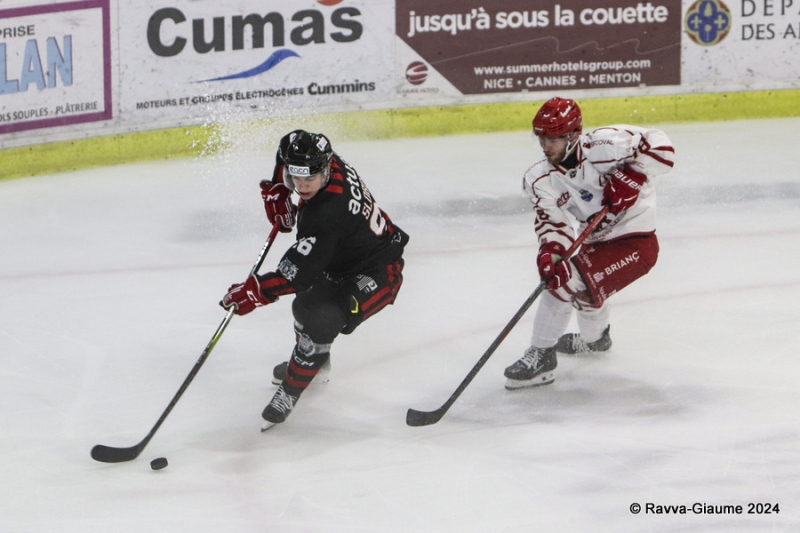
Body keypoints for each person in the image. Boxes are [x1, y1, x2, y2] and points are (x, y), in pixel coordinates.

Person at [221, 130, 409, 427]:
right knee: (303, 308)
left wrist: (256, 291)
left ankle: (290, 391)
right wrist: (278, 189)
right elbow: (287, 152)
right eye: (295, 178)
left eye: (309, 179)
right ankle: (316, 365)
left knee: (324, 318)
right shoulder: (326, 162)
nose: (302, 185)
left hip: (378, 270)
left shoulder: (328, 213)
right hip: (340, 260)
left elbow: (298, 276)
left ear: (324, 170)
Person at [504, 96, 675, 390]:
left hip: (636, 242)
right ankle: (596, 340)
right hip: (597, 242)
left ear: (573, 135)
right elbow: (553, 226)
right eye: (542, 139)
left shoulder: (605, 146)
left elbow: (663, 147)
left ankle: (542, 356)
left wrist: (633, 175)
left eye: (554, 139)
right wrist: (552, 254)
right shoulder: (539, 179)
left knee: (569, 281)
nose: (546, 147)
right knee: (578, 283)